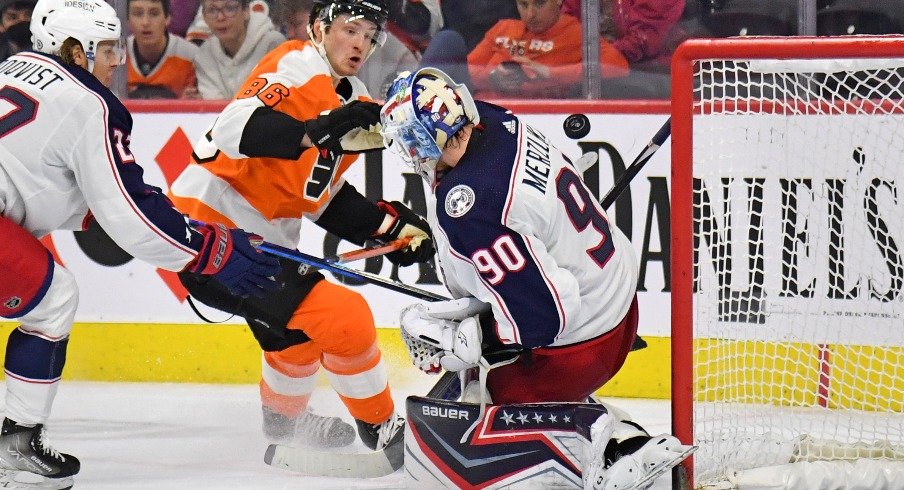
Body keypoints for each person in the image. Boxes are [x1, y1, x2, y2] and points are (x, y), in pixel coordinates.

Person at [0, 0, 281, 487]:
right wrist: (209, 250)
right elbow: (130, 217)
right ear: (74, 50)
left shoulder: (12, 69)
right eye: (107, 49)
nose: (117, 61)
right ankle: (15, 446)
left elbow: (45, 183)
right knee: (53, 300)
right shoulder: (89, 102)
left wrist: (160, 223)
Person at [380, 67, 693, 489]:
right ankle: (607, 428)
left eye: (409, 142)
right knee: (474, 374)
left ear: (426, 138)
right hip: (614, 295)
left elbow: (546, 317)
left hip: (587, 340)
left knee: (494, 399)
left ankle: (616, 447)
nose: (410, 154)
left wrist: (471, 336)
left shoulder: (471, 206)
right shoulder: (491, 120)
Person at [168, 0, 434, 453]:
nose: (361, 43)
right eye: (351, 29)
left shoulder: (355, 103)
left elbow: (318, 195)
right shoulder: (296, 63)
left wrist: (387, 227)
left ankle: (283, 427)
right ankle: (382, 429)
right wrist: (316, 129)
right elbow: (233, 128)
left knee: (296, 339)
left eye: (370, 36)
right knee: (345, 319)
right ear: (319, 28)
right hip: (210, 235)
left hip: (262, 247)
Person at [421, 0, 628, 99]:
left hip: (536, 120)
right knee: (446, 41)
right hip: (480, 115)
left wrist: (548, 73)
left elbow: (619, 67)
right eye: (523, 4)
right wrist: (491, 77)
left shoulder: (575, 32)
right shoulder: (504, 28)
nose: (530, 14)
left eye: (539, 4)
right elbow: (461, 71)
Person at [192, 0, 285, 99]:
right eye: (212, 10)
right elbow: (213, 104)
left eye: (229, 8)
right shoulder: (203, 55)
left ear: (246, 11)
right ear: (204, 17)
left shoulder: (273, 44)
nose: (220, 17)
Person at [127, 0, 199, 98]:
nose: (145, 22)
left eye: (154, 14)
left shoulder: (191, 56)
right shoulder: (115, 54)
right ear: (127, 20)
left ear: (167, 18)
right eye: (138, 14)